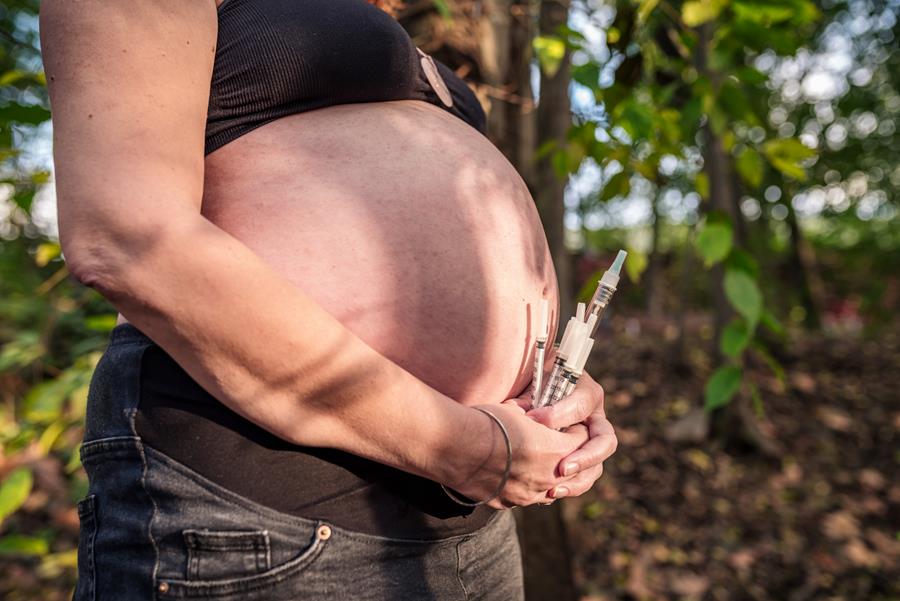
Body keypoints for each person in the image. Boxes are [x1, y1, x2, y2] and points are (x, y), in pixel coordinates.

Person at [40, 0, 618, 599]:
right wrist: (468, 448)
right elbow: (125, 236)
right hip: (270, 509)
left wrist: (554, 389)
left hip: (470, 519)